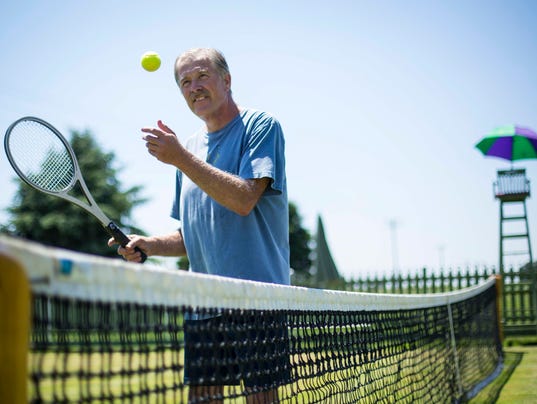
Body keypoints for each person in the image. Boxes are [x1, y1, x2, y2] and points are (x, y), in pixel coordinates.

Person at [109, 48, 290, 403]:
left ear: (226, 79)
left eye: (202, 76)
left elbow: (243, 200)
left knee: (262, 400)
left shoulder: (260, 126)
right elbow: (191, 235)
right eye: (185, 82)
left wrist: (180, 158)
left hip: (259, 300)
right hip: (203, 303)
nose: (194, 87)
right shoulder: (188, 147)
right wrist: (150, 244)